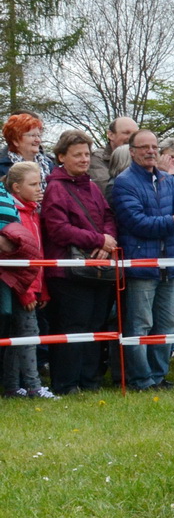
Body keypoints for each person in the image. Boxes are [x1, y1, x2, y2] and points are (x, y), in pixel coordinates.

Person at [110, 128, 174, 390]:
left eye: (154, 147)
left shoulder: (167, 180)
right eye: (144, 147)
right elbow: (136, 222)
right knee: (140, 324)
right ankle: (140, 379)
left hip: (169, 264)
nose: (151, 151)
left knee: (167, 323)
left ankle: (159, 376)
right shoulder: (124, 182)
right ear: (132, 151)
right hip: (141, 266)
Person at [41, 130, 119, 395]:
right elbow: (57, 229)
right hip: (67, 272)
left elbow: (108, 216)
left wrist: (107, 241)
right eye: (77, 154)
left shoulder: (92, 186)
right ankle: (66, 383)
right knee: (72, 328)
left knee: (95, 325)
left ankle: (90, 379)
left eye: (87, 153)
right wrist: (97, 239)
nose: (84, 159)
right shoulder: (55, 188)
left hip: (95, 268)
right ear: (61, 156)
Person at [1, 161, 50, 397]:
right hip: (21, 287)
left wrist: (43, 289)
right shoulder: (15, 216)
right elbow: (18, 261)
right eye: (34, 184)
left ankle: (12, 386)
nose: (40, 188)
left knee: (18, 337)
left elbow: (38, 256)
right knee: (29, 336)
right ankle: (34, 387)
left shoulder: (33, 212)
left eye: (40, 182)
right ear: (17, 188)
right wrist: (27, 290)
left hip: (33, 285)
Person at [89, 115, 138, 197]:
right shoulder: (97, 158)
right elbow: (107, 190)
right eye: (126, 133)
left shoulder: (142, 157)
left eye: (135, 134)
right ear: (111, 135)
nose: (132, 138)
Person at [0, 113, 54, 181]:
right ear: (15, 141)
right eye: (32, 136)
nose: (38, 140)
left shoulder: (49, 164)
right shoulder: (2, 167)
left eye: (39, 135)